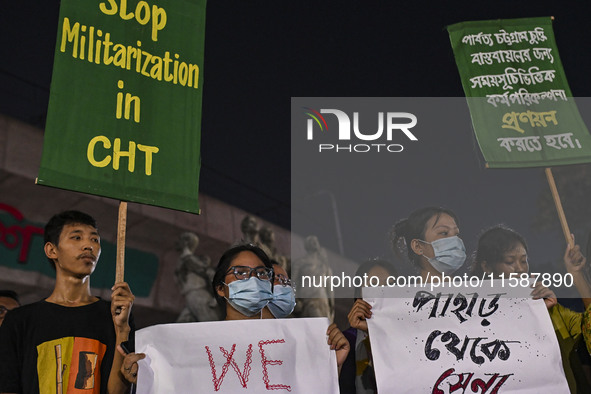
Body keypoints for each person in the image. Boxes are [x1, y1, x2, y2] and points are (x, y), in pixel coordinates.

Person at [119, 244, 350, 382]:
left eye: (261, 274)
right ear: (220, 288)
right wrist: (147, 377)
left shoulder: (295, 344)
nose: (252, 279)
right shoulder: (193, 347)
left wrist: (332, 366)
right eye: (240, 272)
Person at [0, 210, 135, 394]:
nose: (88, 245)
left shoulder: (116, 315)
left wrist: (122, 330)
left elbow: (117, 392)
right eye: (77, 237)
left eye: (94, 240)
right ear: (51, 250)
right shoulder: (20, 321)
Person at [471, 224, 591, 394]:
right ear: (487, 267)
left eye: (523, 260)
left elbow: (588, 329)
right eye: (510, 262)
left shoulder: (547, 308)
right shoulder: (469, 317)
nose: (520, 268)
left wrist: (577, 275)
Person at [341, 258, 397, 394]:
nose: (382, 293)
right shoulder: (344, 343)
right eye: (373, 286)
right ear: (359, 295)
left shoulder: (409, 339)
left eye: (389, 286)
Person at [390, 206, 466, 280]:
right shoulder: (403, 293)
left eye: (456, 234)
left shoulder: (474, 291)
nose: (454, 240)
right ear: (417, 246)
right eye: (444, 233)